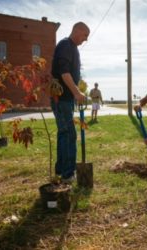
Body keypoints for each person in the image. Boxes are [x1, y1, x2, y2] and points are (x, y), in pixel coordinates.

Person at [51, 22, 90, 183]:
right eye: (85, 35)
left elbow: (72, 74)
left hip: (66, 99)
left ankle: (61, 169)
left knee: (64, 133)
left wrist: (77, 89)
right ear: (77, 30)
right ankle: (68, 174)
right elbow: (64, 72)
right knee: (68, 134)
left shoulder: (73, 48)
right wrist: (76, 92)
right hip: (61, 99)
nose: (86, 39)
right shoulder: (66, 45)